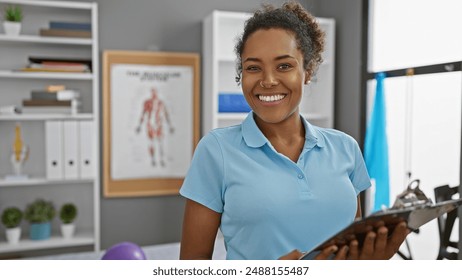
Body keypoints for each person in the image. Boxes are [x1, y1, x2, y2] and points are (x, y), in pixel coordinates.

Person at [179, 1, 409, 260]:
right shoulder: (216, 150)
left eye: (284, 66)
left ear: (307, 71)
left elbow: (350, 249)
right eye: (253, 67)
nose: (267, 81)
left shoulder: (345, 148)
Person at [135, 87, 174, 167]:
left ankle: (161, 159)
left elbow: (166, 114)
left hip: (159, 124)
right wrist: (139, 125)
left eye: (155, 93)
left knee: (160, 143)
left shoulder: (161, 103)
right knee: (151, 142)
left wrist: (170, 125)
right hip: (150, 125)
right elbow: (143, 113)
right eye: (153, 93)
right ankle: (153, 159)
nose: (154, 95)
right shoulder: (147, 103)